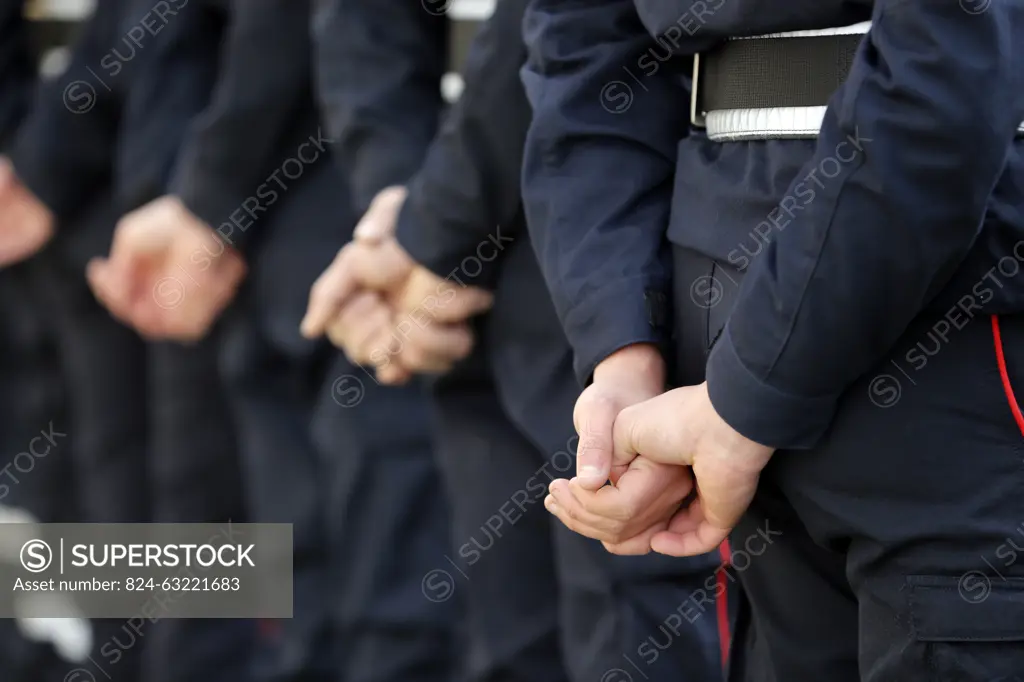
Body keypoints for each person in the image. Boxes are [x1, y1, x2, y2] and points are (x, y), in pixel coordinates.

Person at [521, 0, 1024, 679]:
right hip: (725, 358)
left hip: (953, 311)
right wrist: (625, 354)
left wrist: (744, 390)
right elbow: (587, 48)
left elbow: (941, 80)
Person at [305, 0, 726, 680]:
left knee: (628, 614)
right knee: (505, 632)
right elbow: (364, 25)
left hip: (620, 225)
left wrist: (423, 232)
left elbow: (564, 27)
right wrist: (399, 211)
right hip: (471, 262)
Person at [86, 2, 457, 680]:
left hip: (309, 217)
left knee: (370, 578)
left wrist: (205, 198)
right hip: (195, 224)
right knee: (222, 548)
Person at [1, 1, 252, 680]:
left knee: (166, 498)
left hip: (142, 212)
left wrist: (42, 159)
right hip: (89, 206)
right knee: (79, 496)